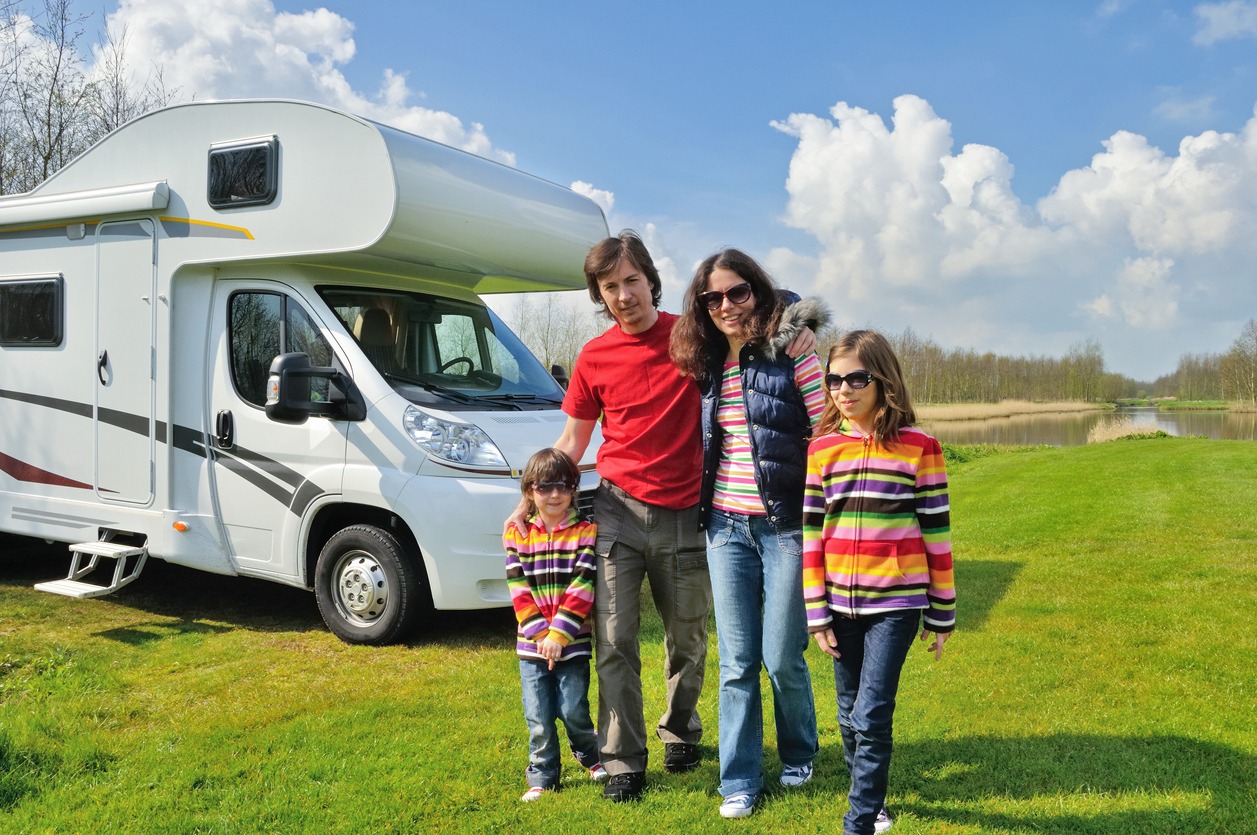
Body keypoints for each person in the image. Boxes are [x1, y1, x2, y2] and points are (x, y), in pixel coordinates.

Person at [505, 231, 815, 803]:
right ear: (599, 295)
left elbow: (753, 315)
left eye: (631, 280)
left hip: (690, 514)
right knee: (615, 640)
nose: (623, 295)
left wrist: (801, 331)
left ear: (650, 280)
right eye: (609, 287)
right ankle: (622, 758)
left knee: (687, 638)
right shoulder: (594, 356)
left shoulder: (691, 335)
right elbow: (574, 437)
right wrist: (533, 493)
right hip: (618, 512)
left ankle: (681, 728)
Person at [669, 249, 830, 819]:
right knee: (737, 659)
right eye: (713, 298)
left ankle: (799, 750)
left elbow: (828, 432)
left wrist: (827, 516)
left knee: (782, 653)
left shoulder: (794, 354)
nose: (727, 306)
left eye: (738, 292)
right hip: (724, 529)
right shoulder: (705, 361)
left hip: (786, 526)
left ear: (758, 291)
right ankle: (738, 779)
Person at [802, 330, 957, 835]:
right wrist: (816, 609)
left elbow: (936, 533)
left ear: (882, 380)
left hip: (896, 603)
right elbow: (811, 535)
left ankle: (859, 821)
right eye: (834, 380)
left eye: (856, 378)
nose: (843, 389)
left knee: (871, 712)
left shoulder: (921, 448)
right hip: (838, 607)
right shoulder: (821, 450)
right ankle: (871, 796)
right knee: (848, 712)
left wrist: (942, 610)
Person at [504, 448, 605, 802]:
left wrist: (560, 635)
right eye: (545, 488)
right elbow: (518, 589)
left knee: (573, 708)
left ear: (574, 489)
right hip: (531, 645)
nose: (555, 495)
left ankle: (590, 755)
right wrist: (542, 636)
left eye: (564, 487)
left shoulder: (585, 532)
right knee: (539, 715)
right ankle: (543, 774)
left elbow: (583, 583)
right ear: (530, 490)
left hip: (573, 642)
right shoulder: (517, 536)